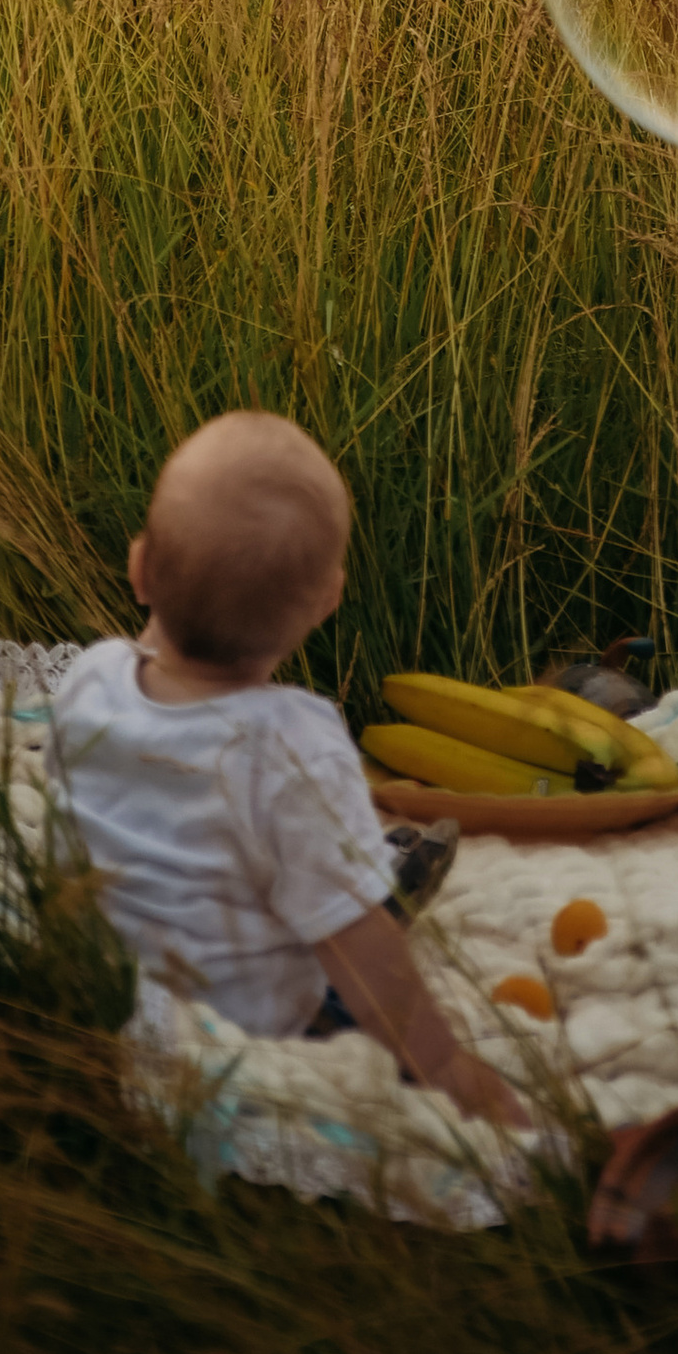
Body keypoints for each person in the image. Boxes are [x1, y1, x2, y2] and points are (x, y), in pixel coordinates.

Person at [48, 412, 533, 1128]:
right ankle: (372, 875)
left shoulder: (88, 678)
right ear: (327, 601)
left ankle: (362, 866)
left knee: (280, 856)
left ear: (140, 567)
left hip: (104, 992)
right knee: (357, 922)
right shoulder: (292, 744)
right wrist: (442, 1065)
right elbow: (358, 952)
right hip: (248, 1022)